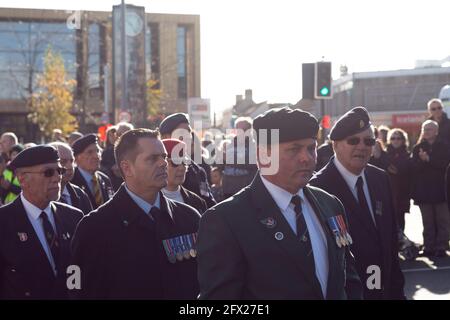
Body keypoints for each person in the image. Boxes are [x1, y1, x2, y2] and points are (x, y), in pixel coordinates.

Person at [197, 107, 362, 300]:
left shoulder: (329, 204)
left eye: (311, 148)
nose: (306, 157)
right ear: (263, 156)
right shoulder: (226, 219)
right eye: (294, 149)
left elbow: (348, 280)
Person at [71, 129, 201, 299]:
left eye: (164, 156)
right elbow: (79, 291)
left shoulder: (188, 218)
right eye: (152, 158)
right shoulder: (95, 228)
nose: (163, 163)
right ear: (127, 167)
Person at [310, 107, 405, 300]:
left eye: (369, 141)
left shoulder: (380, 179)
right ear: (335, 145)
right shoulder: (316, 188)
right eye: (353, 140)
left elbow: (389, 243)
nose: (362, 146)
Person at [0, 145, 83, 299]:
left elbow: (77, 270)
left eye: (59, 171)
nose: (57, 177)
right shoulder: (4, 222)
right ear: (22, 179)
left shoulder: (73, 217)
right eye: (48, 172)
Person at [159, 113, 216, 208]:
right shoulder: (152, 169)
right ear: (166, 137)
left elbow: (209, 203)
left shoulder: (198, 170)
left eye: (189, 132)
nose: (188, 137)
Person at [411, 120, 450, 257]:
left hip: (442, 190)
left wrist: (429, 159)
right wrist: (422, 160)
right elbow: (414, 169)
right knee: (427, 221)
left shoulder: (445, 146)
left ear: (436, 131)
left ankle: (442, 246)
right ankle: (429, 246)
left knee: (442, 220)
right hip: (424, 191)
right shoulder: (418, 148)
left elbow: (445, 164)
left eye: (429, 129)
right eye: (425, 129)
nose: (426, 131)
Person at [161, 138, 208, 214]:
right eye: (175, 162)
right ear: (161, 164)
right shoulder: (148, 200)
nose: (182, 168)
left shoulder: (197, 202)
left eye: (185, 162)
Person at [71, 134, 113, 209]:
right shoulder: (72, 181)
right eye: (90, 152)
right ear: (77, 158)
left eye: (97, 151)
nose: (96, 156)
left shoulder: (105, 179)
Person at [49, 142, 93, 215]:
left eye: (72, 161)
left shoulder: (80, 194)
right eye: (62, 162)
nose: (70, 167)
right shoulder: (43, 195)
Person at [221, 117, 258, 199]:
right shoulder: (230, 144)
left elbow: (253, 162)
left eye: (244, 129)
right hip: (228, 190)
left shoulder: (255, 145)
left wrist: (230, 159)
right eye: (238, 129)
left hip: (246, 191)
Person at [385, 128, 411, 232]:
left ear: (403, 140)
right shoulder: (384, 155)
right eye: (393, 138)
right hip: (387, 192)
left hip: (402, 193)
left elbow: (408, 172)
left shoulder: (408, 155)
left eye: (398, 138)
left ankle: (401, 243)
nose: (395, 140)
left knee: (400, 220)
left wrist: (398, 171)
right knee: (387, 221)